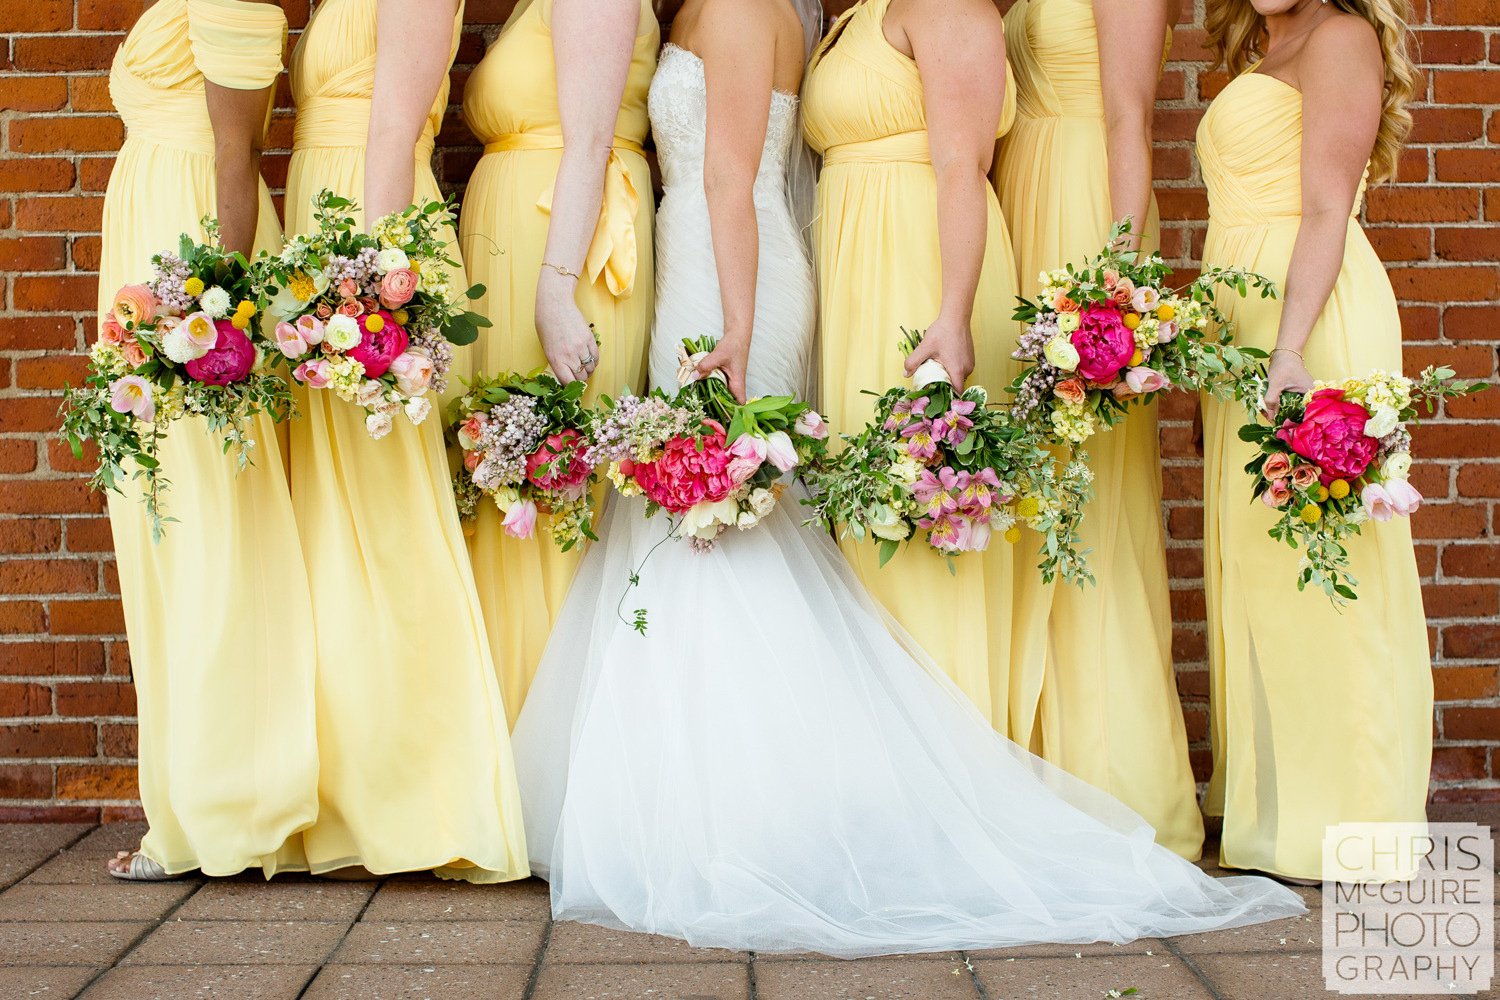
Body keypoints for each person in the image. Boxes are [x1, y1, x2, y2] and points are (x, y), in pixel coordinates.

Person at [510, 0, 1304, 955]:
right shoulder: (823, 22)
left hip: (733, 276)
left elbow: (742, 174)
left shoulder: (764, 12)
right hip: (748, 259)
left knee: (715, 522)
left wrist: (748, 322)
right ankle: (726, 786)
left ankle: (736, 808)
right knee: (727, 519)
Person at [281, 0, 527, 882]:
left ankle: (425, 795)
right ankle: (351, 779)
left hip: (369, 239)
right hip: (329, 223)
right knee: (340, 523)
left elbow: (395, 131)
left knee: (390, 518)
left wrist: (367, 285)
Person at [1197, 0, 1429, 882]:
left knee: (1326, 568)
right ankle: (1281, 814)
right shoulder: (1268, 39)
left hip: (1312, 325)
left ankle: (1353, 818)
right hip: (1252, 327)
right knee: (1265, 570)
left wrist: (1290, 350)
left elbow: (1328, 205)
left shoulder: (1339, 36)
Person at [101, 0, 320, 881]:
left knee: (206, 529)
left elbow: (240, 158)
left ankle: (230, 806)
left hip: (188, 266)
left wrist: (212, 310)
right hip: (149, 246)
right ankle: (189, 800)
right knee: (161, 526)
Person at [991, 0, 1203, 860]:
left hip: (1083, 207)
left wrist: (1118, 280)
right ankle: (1034, 766)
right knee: (1040, 495)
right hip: (1026, 193)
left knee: (1094, 501)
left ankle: (1113, 782)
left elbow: (1128, 114)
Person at [802, 0, 1024, 726]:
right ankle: (889, 752)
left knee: (917, 507)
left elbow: (964, 164)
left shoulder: (949, 6)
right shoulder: (866, 12)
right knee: (870, 507)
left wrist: (953, 314)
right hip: (860, 269)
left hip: (920, 269)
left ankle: (952, 747)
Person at [458, 0, 659, 727]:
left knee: (546, 494)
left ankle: (548, 746)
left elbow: (591, 141)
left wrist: (553, 290)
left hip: (562, 254)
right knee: (511, 487)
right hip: (523, 239)